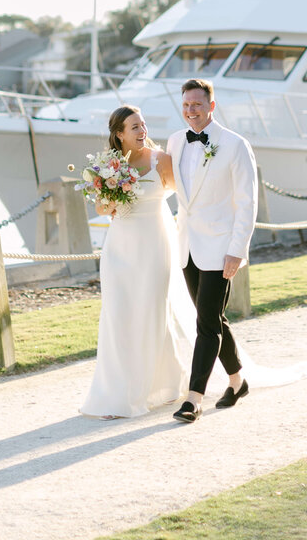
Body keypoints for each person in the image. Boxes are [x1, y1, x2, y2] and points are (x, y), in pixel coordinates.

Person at [80, 104, 188, 418]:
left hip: (154, 244)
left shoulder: (161, 160)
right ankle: (117, 393)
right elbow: (101, 209)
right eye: (135, 128)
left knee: (151, 312)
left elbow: (181, 195)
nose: (142, 132)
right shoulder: (108, 165)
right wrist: (112, 191)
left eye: (143, 125)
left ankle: (163, 384)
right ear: (119, 135)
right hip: (119, 248)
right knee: (118, 316)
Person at [166, 77, 258, 423]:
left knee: (205, 323)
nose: (191, 111)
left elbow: (247, 202)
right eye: (187, 105)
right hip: (188, 245)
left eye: (198, 105)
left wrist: (237, 249)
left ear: (211, 106)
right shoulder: (176, 141)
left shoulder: (234, 145)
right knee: (213, 319)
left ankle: (193, 398)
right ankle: (237, 381)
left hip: (221, 248)